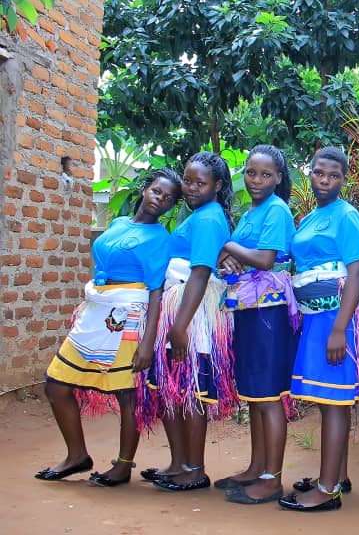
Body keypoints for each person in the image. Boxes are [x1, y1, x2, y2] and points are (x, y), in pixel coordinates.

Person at [36, 169, 181, 486]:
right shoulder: (118, 224)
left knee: (126, 394)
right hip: (96, 310)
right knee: (56, 384)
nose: (161, 199)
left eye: (169, 198)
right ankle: (77, 456)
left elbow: (156, 291)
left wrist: (147, 343)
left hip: (127, 316)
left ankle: (122, 466)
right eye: (157, 191)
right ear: (145, 189)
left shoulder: (160, 239)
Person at [278, 146, 359, 513]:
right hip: (314, 318)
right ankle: (336, 475)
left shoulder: (346, 216)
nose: (325, 180)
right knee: (328, 401)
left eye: (334, 175)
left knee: (334, 402)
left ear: (343, 180)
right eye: (320, 173)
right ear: (311, 173)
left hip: (336, 318)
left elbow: (357, 273)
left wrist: (340, 328)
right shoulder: (311, 218)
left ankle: (327, 489)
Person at [213, 145, 299, 504]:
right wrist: (229, 258)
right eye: (251, 173)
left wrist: (231, 246)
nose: (256, 181)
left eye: (266, 175)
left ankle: (271, 478)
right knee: (253, 394)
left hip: (269, 312)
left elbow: (264, 259)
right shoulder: (251, 212)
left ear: (279, 178)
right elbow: (228, 258)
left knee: (268, 396)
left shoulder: (276, 210)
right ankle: (255, 467)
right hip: (248, 307)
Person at [147, 151, 236, 492]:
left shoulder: (209, 218)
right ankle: (178, 463)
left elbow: (200, 272)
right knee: (173, 387)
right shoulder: (199, 215)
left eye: (201, 182)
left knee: (190, 390)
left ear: (217, 185)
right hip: (180, 305)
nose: (192, 188)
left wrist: (180, 326)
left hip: (191, 310)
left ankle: (194, 469)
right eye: (188, 180)